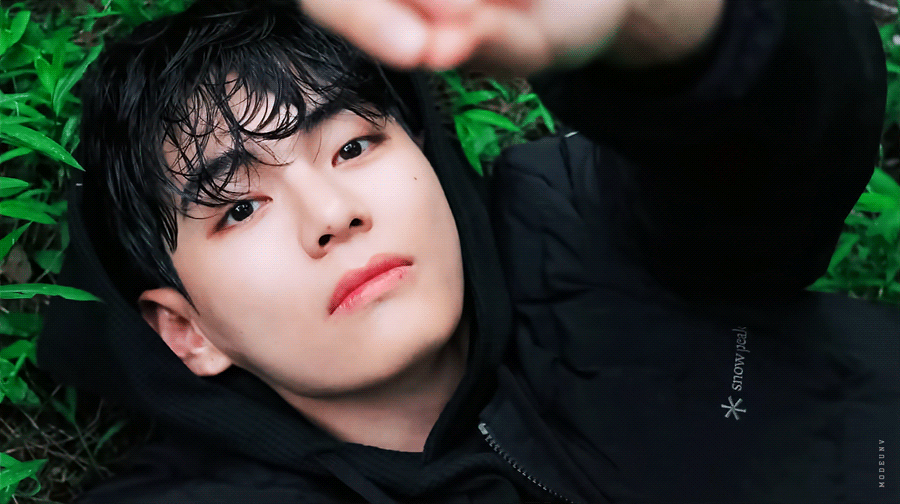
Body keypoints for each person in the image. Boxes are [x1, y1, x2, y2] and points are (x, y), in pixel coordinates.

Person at [37, 0, 899, 502]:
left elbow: (774, 149)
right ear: (185, 331)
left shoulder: (592, 218)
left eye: (353, 146)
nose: (332, 214)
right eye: (238, 207)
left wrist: (659, 24)